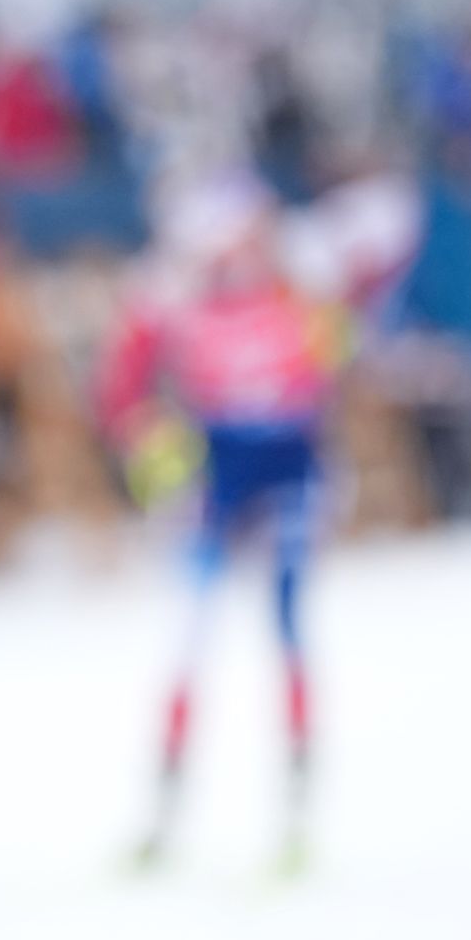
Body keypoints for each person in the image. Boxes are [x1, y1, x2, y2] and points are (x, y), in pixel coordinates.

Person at [96, 175, 347, 867]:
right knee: (188, 640)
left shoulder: (297, 292)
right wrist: (152, 445)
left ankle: (297, 816)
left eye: (250, 235)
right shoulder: (176, 299)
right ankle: (162, 814)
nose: (238, 252)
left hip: (289, 477)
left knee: (289, 633)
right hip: (216, 481)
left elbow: (336, 364)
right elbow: (121, 390)